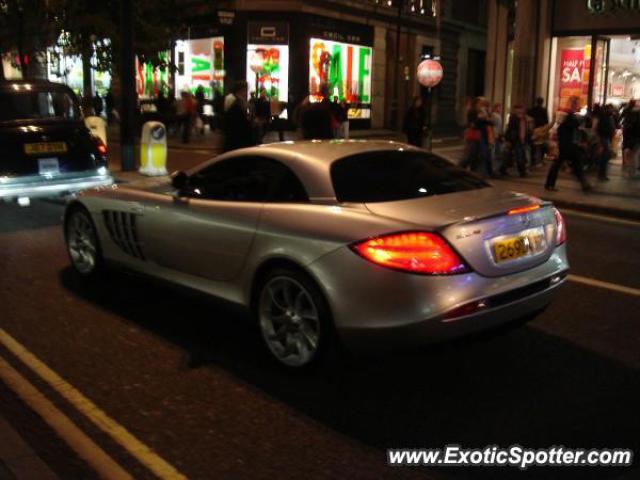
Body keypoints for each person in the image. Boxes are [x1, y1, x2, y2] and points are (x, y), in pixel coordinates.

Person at [544, 96, 591, 192]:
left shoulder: (569, 114)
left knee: (566, 164)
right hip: (567, 145)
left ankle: (549, 184)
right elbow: (573, 124)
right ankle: (584, 184)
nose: (579, 106)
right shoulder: (568, 115)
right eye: (578, 103)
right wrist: (584, 117)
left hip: (567, 144)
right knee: (572, 164)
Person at [223, 81, 254, 152]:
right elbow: (239, 129)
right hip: (236, 148)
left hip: (238, 147)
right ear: (238, 92)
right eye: (244, 91)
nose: (246, 94)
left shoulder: (240, 106)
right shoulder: (236, 108)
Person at [502, 104, 529, 177]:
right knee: (517, 155)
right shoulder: (513, 117)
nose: (520, 111)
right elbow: (510, 128)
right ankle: (521, 172)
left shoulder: (524, 118)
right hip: (515, 139)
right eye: (518, 109)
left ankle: (504, 169)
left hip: (521, 139)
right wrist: (508, 139)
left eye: (521, 109)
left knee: (520, 155)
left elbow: (525, 129)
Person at [592, 104, 615, 181]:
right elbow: (597, 127)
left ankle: (602, 174)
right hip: (604, 138)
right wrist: (598, 137)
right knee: (605, 156)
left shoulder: (608, 117)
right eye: (611, 109)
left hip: (606, 138)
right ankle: (601, 174)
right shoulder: (603, 117)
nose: (612, 110)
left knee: (605, 156)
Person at [528, 97, 550, 167]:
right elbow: (546, 121)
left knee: (533, 144)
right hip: (541, 128)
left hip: (534, 128)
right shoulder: (544, 110)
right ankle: (540, 160)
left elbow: (529, 118)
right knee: (541, 144)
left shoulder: (532, 110)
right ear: (542, 102)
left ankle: (532, 159)